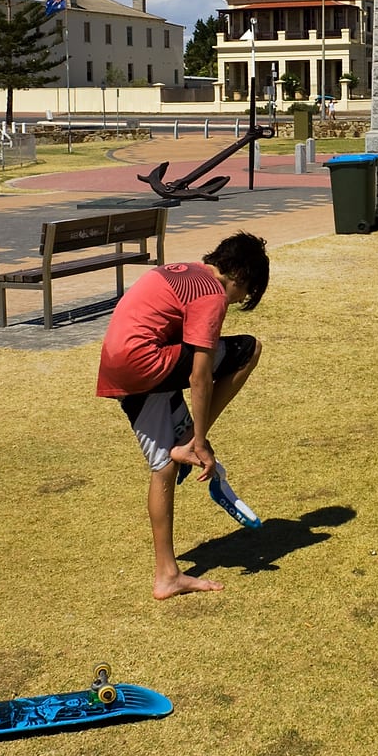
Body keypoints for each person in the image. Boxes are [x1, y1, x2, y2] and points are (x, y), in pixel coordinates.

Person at [97, 232, 270, 599]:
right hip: (147, 365)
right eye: (246, 293)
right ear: (239, 278)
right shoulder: (212, 293)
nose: (240, 301)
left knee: (163, 466)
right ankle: (188, 439)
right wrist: (200, 439)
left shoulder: (182, 272)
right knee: (249, 349)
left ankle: (167, 576)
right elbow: (200, 375)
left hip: (118, 368)